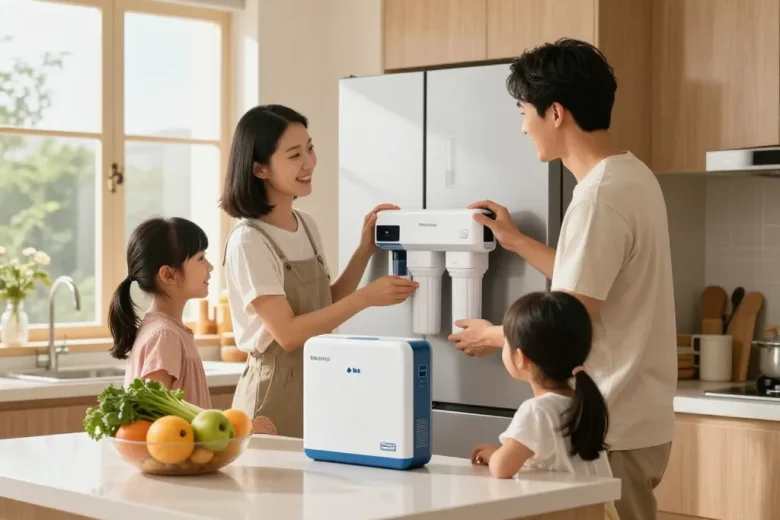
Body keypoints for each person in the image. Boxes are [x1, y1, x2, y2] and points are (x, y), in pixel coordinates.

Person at [449, 38, 676, 520]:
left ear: (555, 113)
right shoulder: (631, 177)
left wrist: (494, 336)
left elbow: (570, 316)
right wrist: (516, 241)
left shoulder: (599, 198)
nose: (523, 126)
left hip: (611, 424)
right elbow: (592, 282)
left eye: (523, 111)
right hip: (634, 420)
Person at [220, 104, 418, 438]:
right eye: (294, 154)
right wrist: (367, 298)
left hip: (320, 380)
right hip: (272, 393)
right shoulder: (249, 241)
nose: (310, 162)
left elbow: (324, 307)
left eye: (310, 149)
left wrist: (364, 250)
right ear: (260, 169)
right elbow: (289, 334)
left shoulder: (306, 225)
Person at [471, 291, 618, 520]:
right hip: (599, 513)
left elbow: (503, 467)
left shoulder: (537, 411)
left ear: (521, 358)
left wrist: (495, 455)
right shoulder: (581, 400)